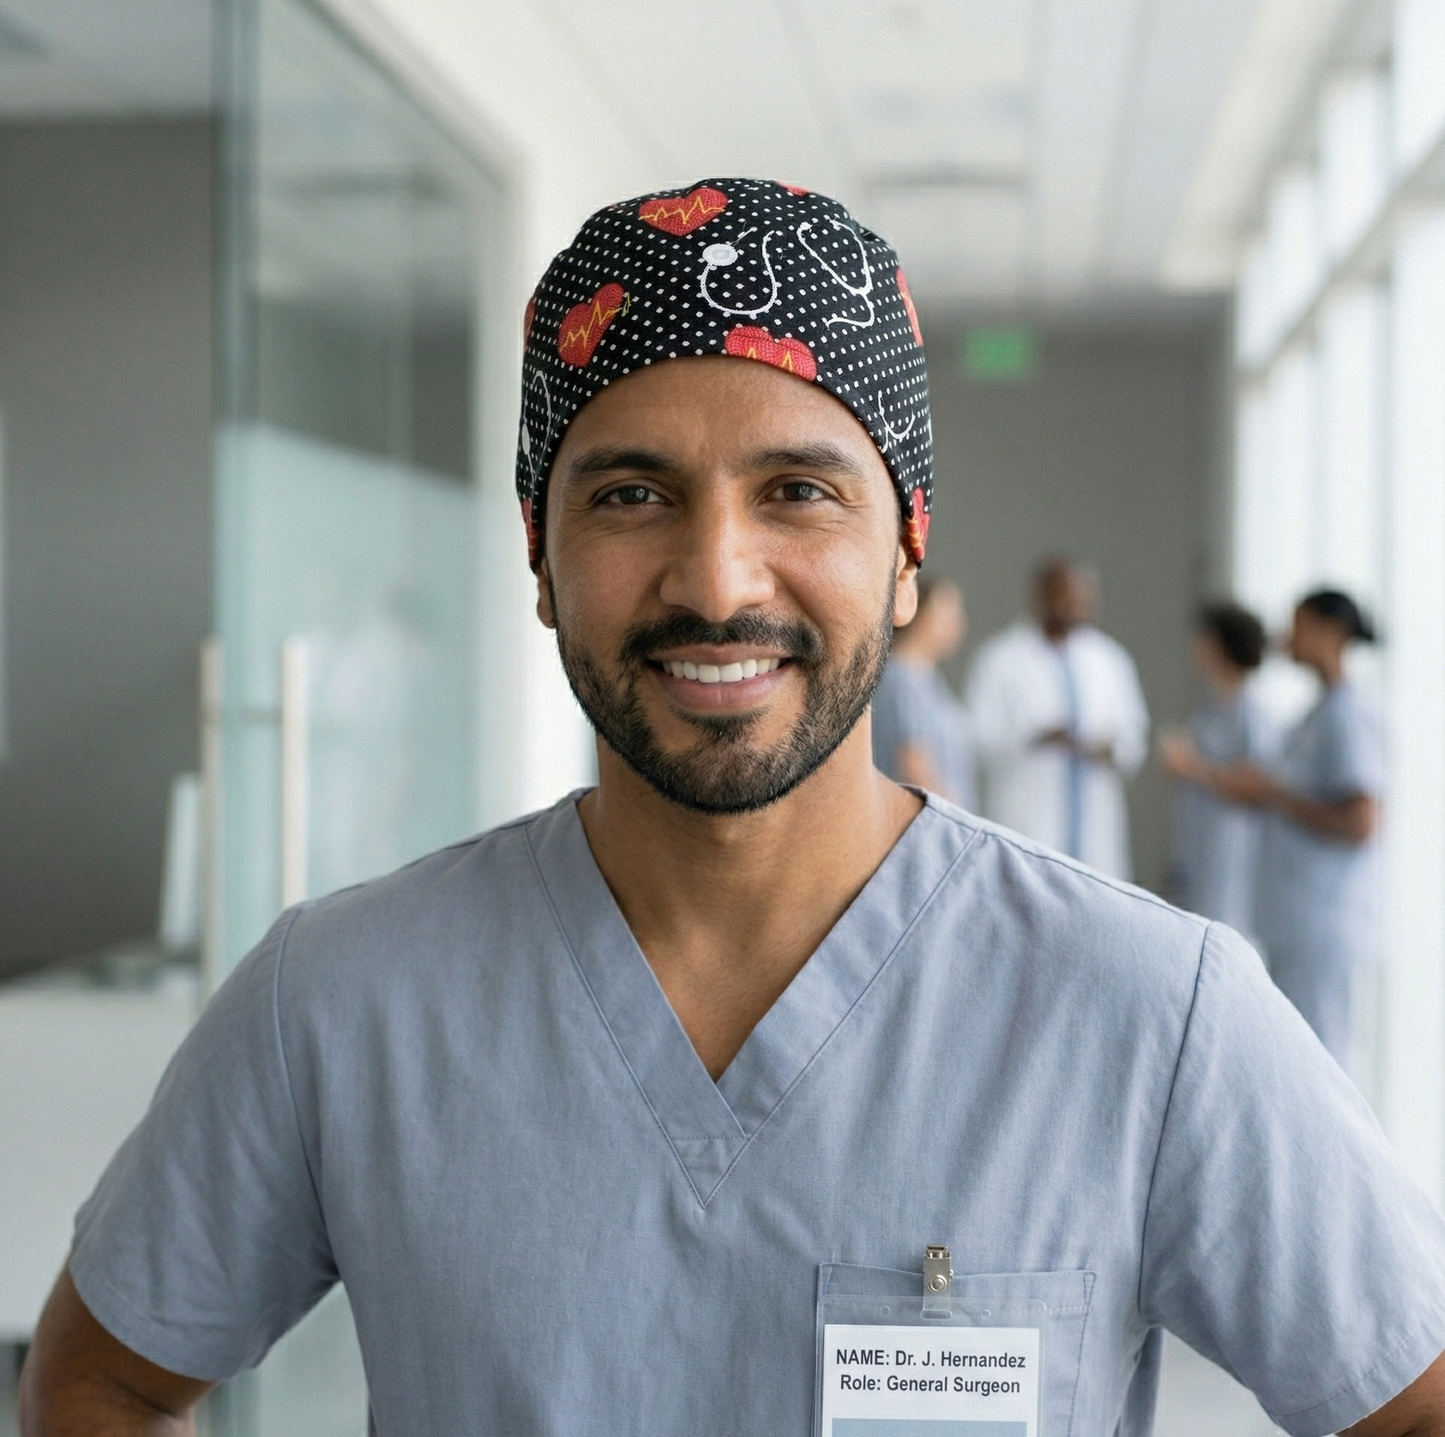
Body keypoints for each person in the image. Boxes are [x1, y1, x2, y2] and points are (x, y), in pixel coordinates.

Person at [21, 181, 1445, 1437]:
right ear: (540, 556)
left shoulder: (1150, 1012)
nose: (717, 579)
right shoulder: (339, 1002)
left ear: (905, 558)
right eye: (630, 492)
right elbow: (103, 1378)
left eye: (798, 492)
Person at [1162, 590, 1383, 1065]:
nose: (1286, 637)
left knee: (1323, 1066)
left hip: (1321, 924)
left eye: (1299, 625)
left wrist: (1272, 793)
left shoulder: (1346, 717)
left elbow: (1362, 820)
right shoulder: (1314, 717)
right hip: (1292, 923)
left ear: (1331, 633)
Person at [966, 559, 1149, 877]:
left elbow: (1134, 738)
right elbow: (976, 737)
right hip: (1027, 822)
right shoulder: (1001, 658)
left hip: (1094, 832)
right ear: (1040, 596)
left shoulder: (1109, 659)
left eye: (1082, 596)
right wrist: (1034, 738)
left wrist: (1110, 748)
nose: (1074, 604)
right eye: (1064, 594)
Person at [1160, 602, 1274, 935]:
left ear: (1219, 645)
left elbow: (1255, 788)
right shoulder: (1207, 709)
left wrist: (1190, 766)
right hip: (1195, 850)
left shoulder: (1252, 716)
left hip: (1229, 857)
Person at [871, 574, 975, 806]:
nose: (958, 624)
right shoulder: (899, 679)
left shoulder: (930, 680)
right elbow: (912, 760)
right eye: (947, 614)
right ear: (916, 612)